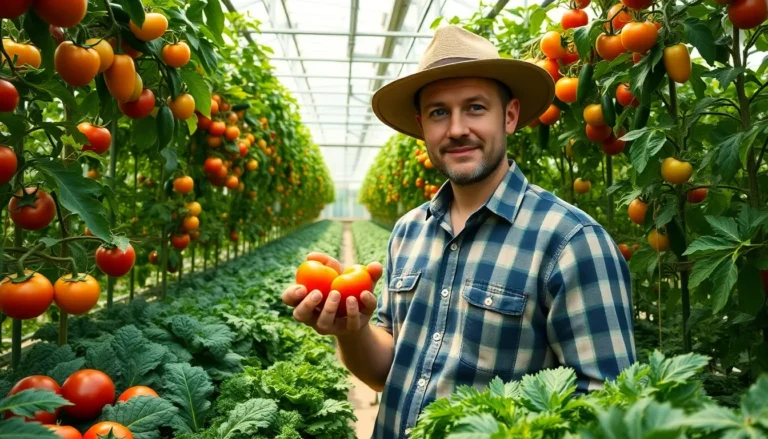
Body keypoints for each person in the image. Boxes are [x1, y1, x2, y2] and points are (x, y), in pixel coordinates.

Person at [282, 25, 636, 439]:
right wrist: (354, 330)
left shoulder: (572, 243)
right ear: (422, 126)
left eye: (475, 108)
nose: (455, 129)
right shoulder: (408, 232)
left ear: (509, 115)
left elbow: (608, 408)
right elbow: (389, 374)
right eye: (438, 112)